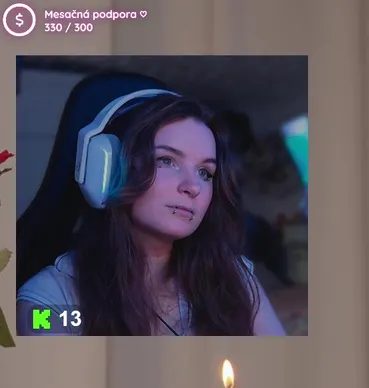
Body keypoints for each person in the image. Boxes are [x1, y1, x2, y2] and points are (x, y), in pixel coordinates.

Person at [16, 78, 284, 336]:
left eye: (205, 172)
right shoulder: (50, 302)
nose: (193, 186)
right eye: (167, 160)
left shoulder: (234, 278)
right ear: (109, 169)